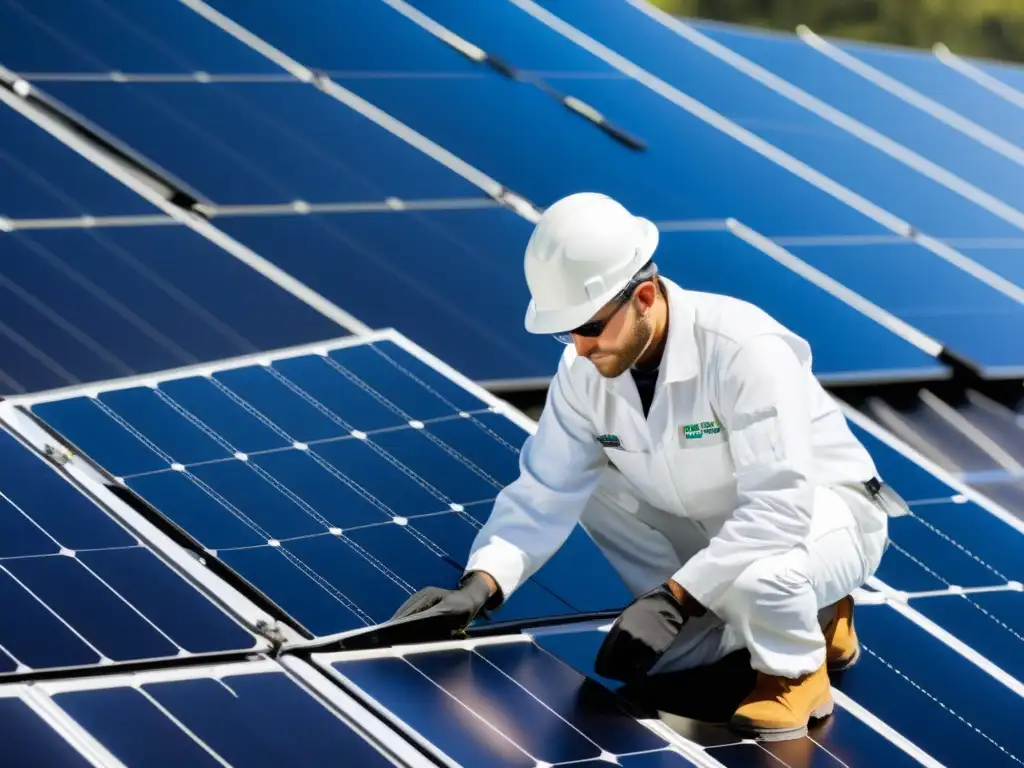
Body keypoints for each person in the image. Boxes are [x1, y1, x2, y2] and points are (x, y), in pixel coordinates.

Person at [389, 192, 903, 741]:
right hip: (719, 525)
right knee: (669, 652)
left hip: (822, 513)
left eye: (589, 327)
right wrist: (481, 585)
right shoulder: (583, 372)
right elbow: (545, 488)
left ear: (645, 295)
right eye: (567, 333)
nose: (580, 349)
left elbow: (779, 508)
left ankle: (796, 672)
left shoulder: (743, 348)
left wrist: (674, 598)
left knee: (765, 576)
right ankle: (814, 611)